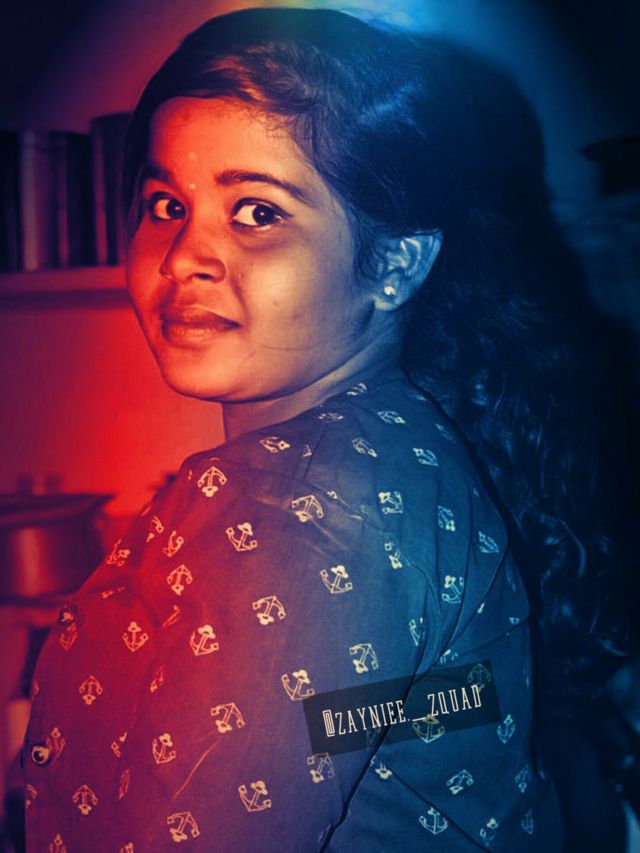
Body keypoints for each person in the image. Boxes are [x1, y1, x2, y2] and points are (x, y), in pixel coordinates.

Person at [21, 7, 628, 851]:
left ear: (394, 262)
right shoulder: (384, 450)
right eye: (166, 203)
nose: (183, 255)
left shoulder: (304, 510)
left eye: (256, 212)